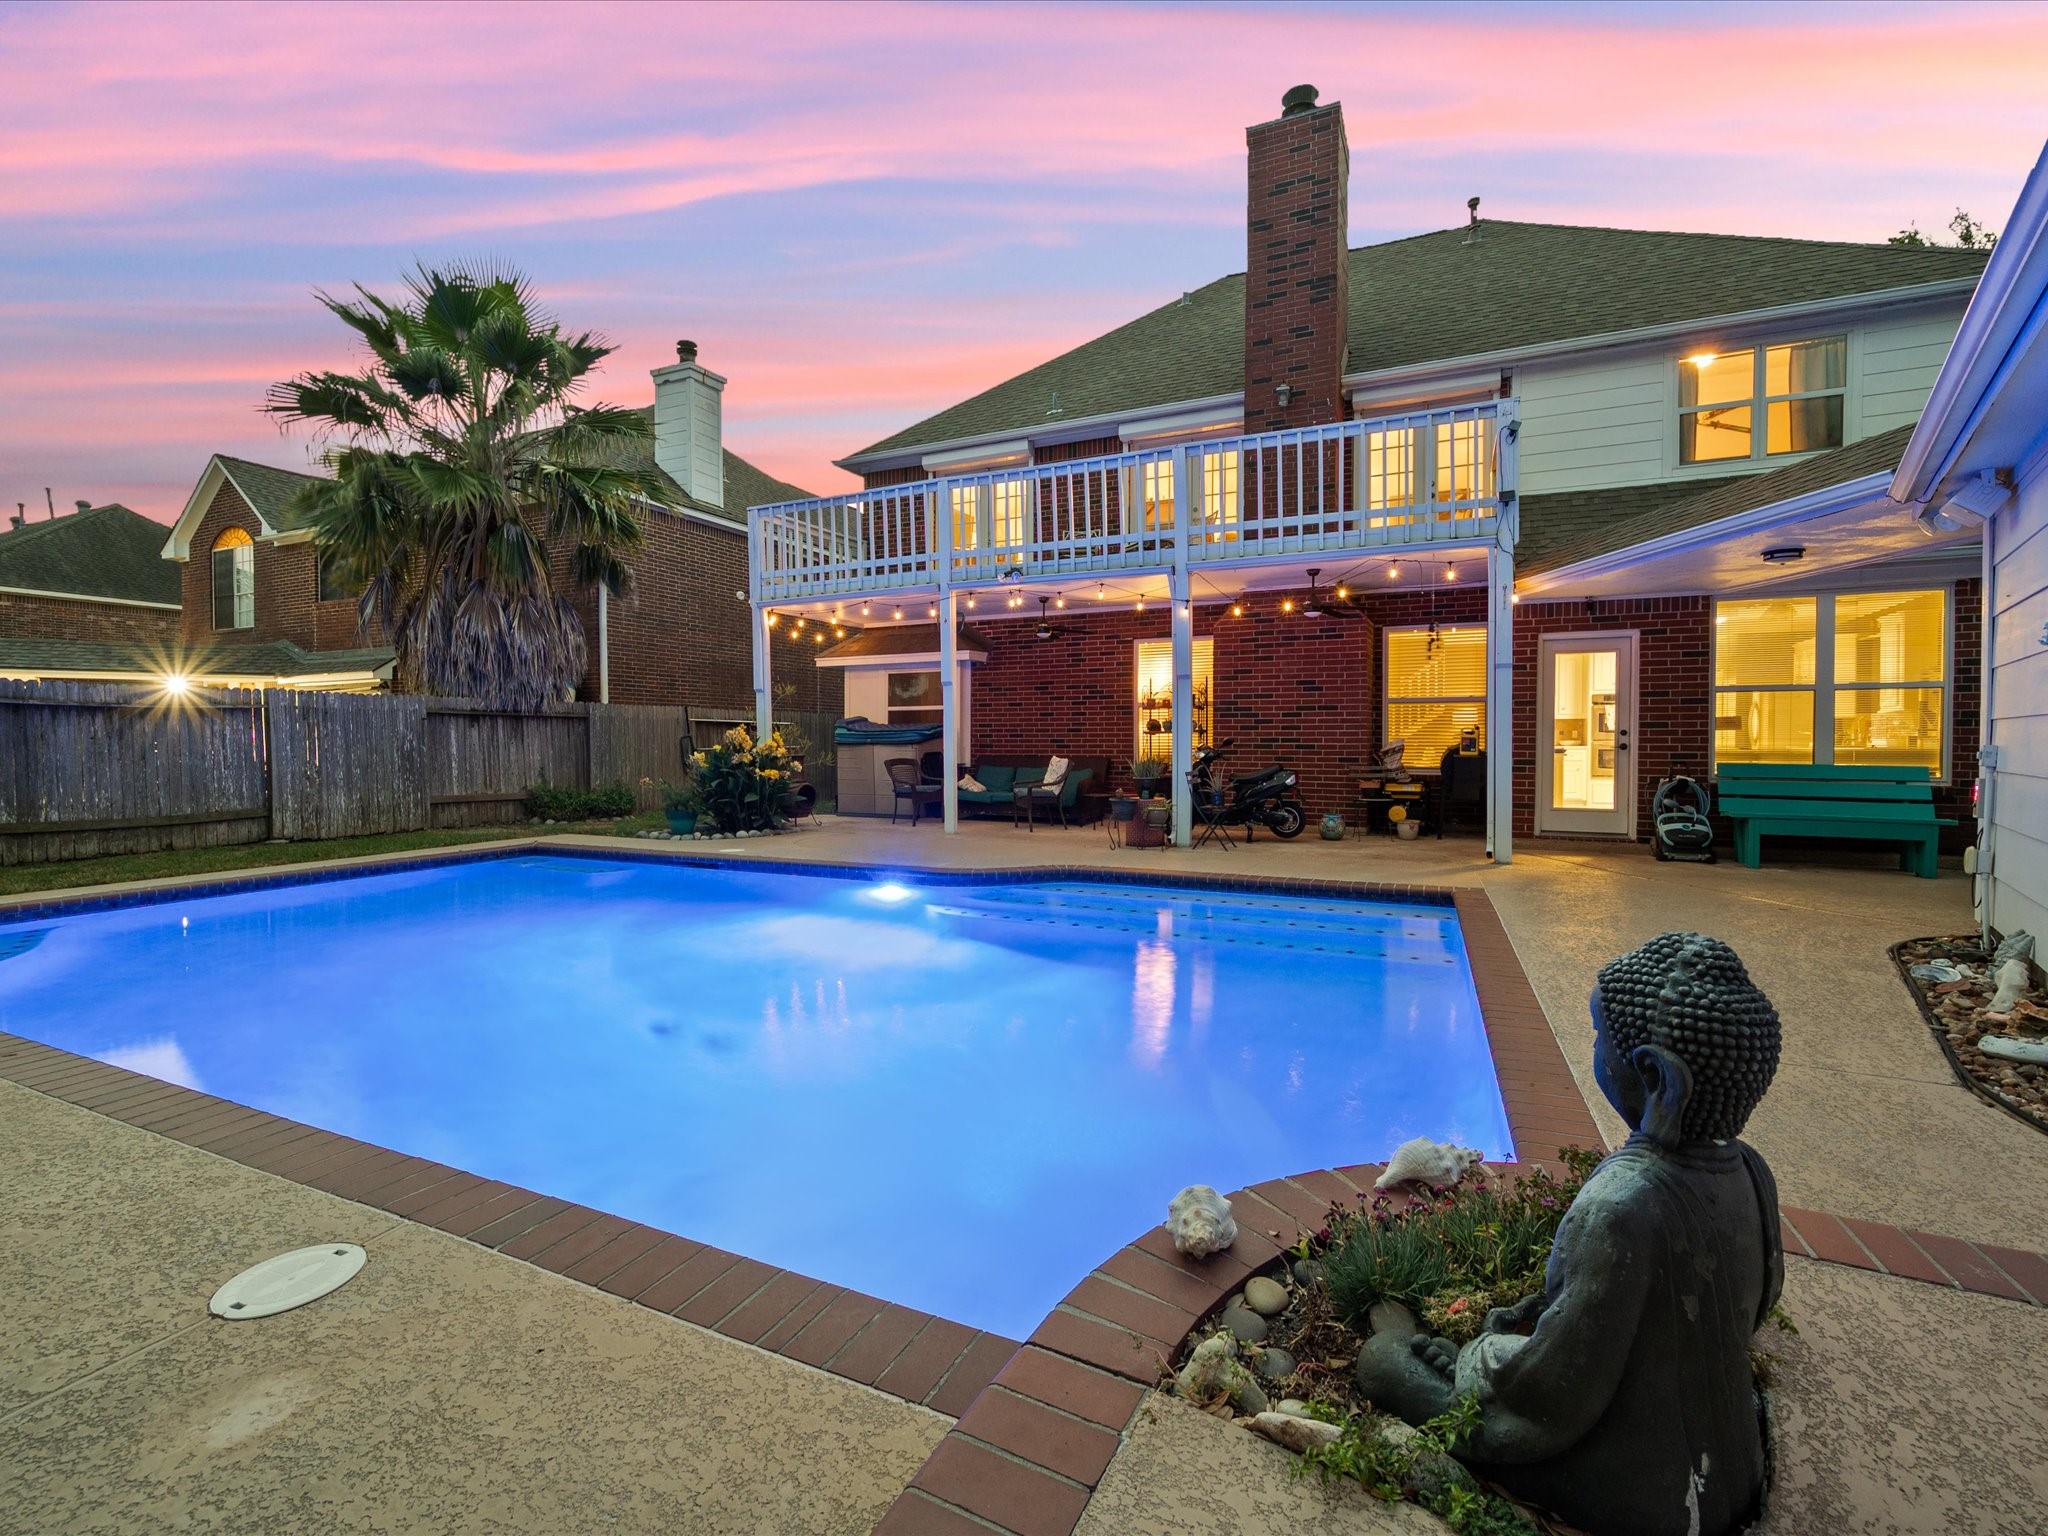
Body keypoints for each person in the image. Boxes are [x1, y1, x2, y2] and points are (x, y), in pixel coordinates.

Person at [1357, 932, 1784, 1536]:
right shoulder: (1752, 1172)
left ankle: (1465, 1380)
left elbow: (1555, 1395)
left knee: (1382, 1362)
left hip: (1642, 1489)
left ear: (1656, 1078)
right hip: (1731, 1463)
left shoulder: (1622, 1204)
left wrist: (1485, 1356)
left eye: (1596, 1037)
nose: (1592, 1049)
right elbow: (1751, 1310)